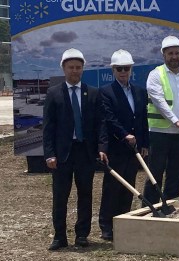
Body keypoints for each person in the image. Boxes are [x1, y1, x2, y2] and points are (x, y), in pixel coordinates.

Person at [43, 48, 108, 250]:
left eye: (78, 67)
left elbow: (101, 124)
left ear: (83, 69)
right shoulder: (54, 93)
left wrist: (101, 147)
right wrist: (49, 154)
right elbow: (48, 127)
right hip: (62, 154)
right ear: (63, 68)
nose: (74, 71)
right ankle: (60, 237)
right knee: (60, 196)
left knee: (85, 195)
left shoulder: (93, 93)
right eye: (70, 67)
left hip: (85, 153)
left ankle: (82, 235)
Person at [98, 49, 149, 241]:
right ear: (113, 70)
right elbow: (109, 119)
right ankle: (107, 226)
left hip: (134, 149)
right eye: (119, 69)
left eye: (126, 68)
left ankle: (123, 221)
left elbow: (142, 119)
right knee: (112, 187)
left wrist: (144, 143)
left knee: (129, 186)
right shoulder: (106, 92)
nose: (123, 72)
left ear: (131, 69)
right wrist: (124, 134)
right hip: (116, 147)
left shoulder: (139, 91)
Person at [143, 35, 179, 205]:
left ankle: (170, 205)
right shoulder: (155, 75)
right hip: (159, 133)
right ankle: (148, 208)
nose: (174, 56)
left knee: (176, 173)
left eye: (177, 53)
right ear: (164, 55)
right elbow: (159, 102)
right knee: (155, 173)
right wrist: (176, 120)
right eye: (170, 53)